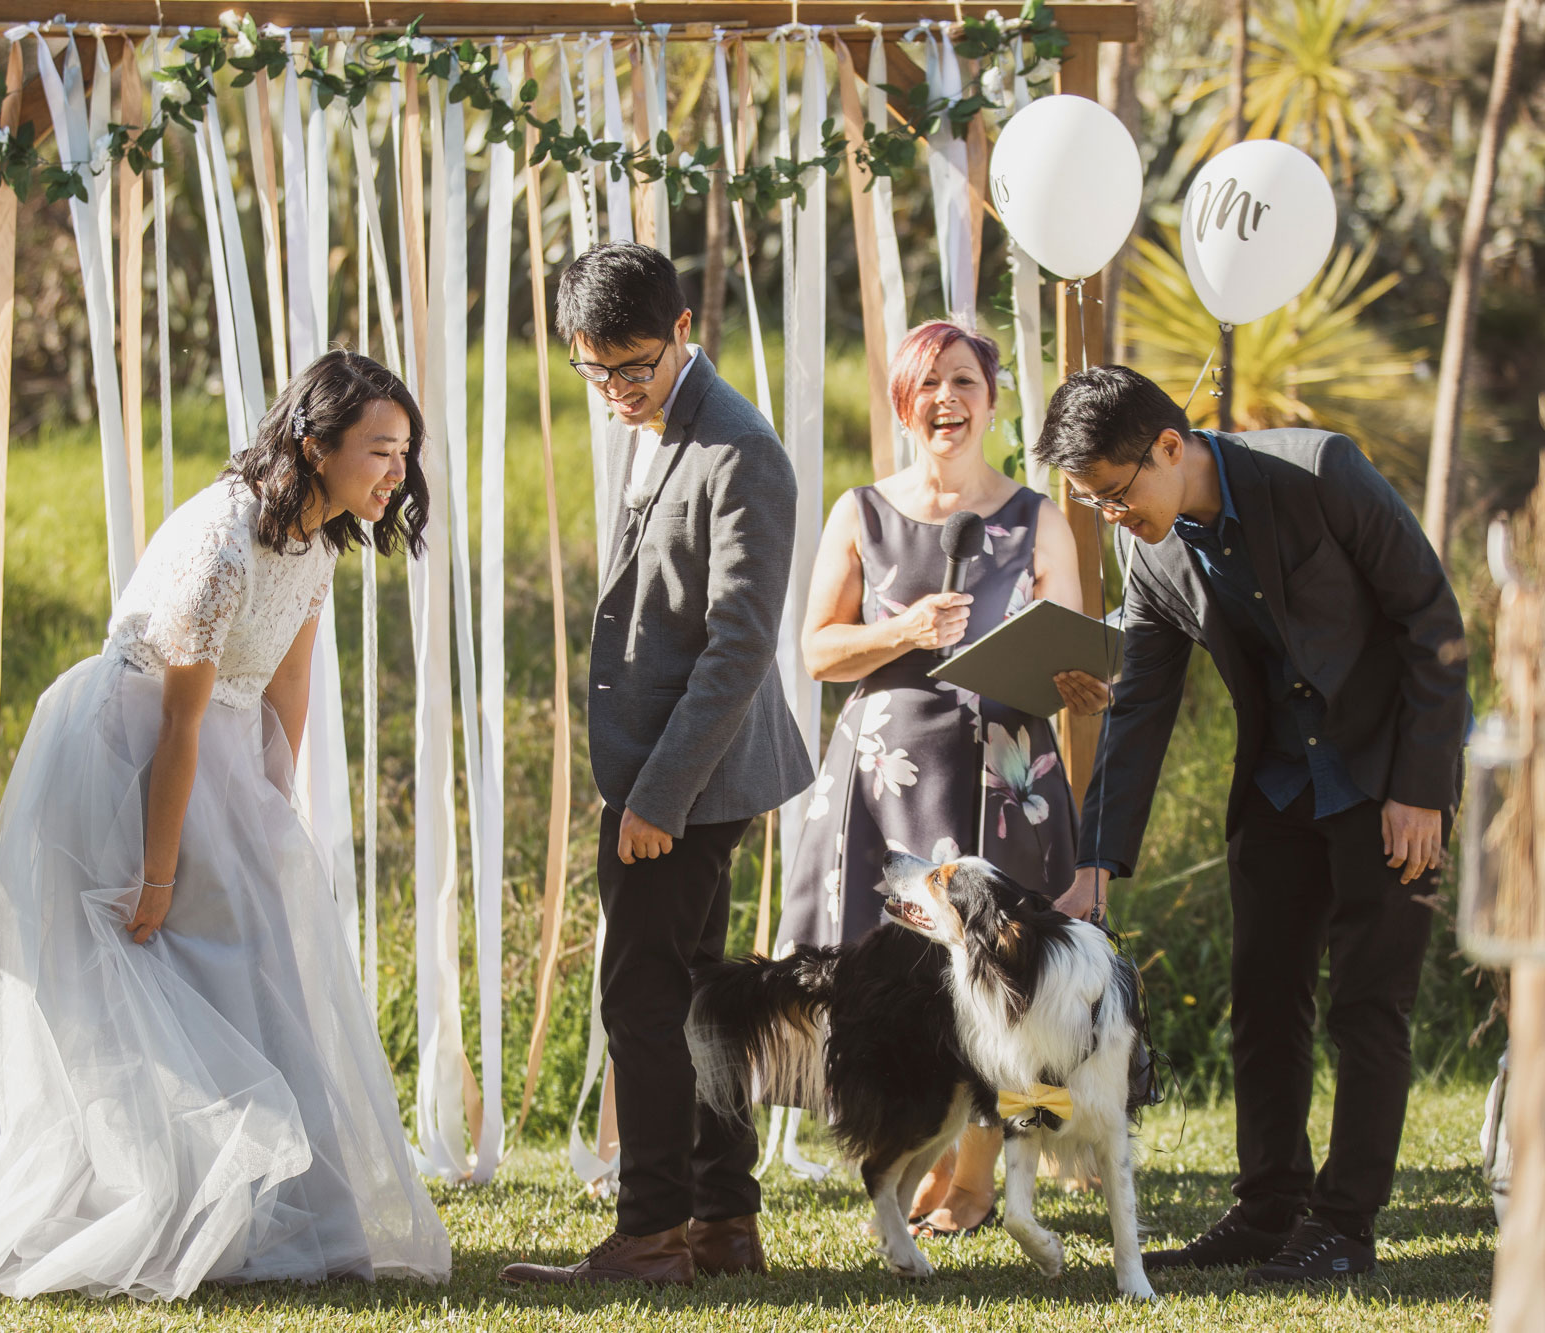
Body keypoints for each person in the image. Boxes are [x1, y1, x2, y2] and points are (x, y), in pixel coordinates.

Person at [0, 349, 450, 1301]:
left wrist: (273, 804)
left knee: (266, 960)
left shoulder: (317, 536)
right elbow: (177, 718)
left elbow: (286, 679)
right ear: (314, 443)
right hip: (132, 752)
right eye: (380, 449)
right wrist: (159, 871)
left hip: (224, 748)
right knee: (155, 952)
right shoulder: (223, 537)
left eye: (404, 451)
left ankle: (288, 1219)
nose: (397, 471)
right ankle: (158, 1200)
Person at [1035, 365, 1469, 1284]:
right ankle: (1270, 1206)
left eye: (1118, 494)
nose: (1115, 516)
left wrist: (1424, 787)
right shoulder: (1151, 555)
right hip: (1278, 788)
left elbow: (1431, 619)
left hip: (1388, 777)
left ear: (1168, 446)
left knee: (1366, 1005)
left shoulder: (1321, 471)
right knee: (1265, 1000)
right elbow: (1142, 703)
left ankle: (1343, 1225)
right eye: (1094, 505)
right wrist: (1099, 861)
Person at [500, 243, 812, 1288]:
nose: (612, 391)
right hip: (663, 768)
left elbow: (738, 647)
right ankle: (722, 1224)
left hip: (690, 779)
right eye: (593, 371)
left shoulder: (740, 450)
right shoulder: (658, 424)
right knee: (698, 999)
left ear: (684, 330)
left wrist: (658, 797)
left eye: (630, 368)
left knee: (640, 996)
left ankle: (647, 1235)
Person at [775, 320, 1089, 1238]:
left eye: (963, 382)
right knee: (900, 979)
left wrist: (1083, 687)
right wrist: (904, 632)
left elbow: (1071, 650)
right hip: (887, 781)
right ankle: (926, 1143)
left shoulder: (1040, 518)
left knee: (1011, 979)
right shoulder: (860, 512)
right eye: (927, 386)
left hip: (1004, 778)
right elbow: (817, 648)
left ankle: (979, 1176)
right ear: (904, 404)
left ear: (992, 399)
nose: (945, 400)